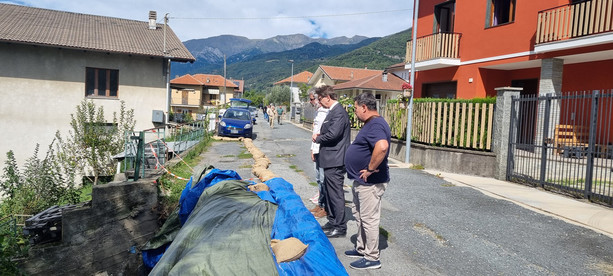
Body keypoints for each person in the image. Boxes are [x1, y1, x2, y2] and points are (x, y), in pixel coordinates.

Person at [343, 92, 391, 270]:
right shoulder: (372, 124)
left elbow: (382, 146)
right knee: (360, 216)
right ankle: (362, 248)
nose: (355, 112)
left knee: (369, 219)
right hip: (361, 182)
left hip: (371, 183)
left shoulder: (376, 124)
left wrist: (370, 169)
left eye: (355, 108)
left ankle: (372, 257)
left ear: (364, 107)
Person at [312, 85, 350, 238]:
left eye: (320, 99)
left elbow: (333, 134)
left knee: (336, 194)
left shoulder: (338, 112)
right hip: (329, 159)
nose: (320, 103)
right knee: (329, 193)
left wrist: (318, 137)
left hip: (335, 160)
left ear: (328, 97)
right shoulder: (333, 112)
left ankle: (340, 227)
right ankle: (333, 220)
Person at [308, 91, 329, 218]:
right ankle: (320, 204)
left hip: (322, 150)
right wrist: (312, 150)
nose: (311, 102)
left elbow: (322, 134)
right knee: (318, 179)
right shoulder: (318, 113)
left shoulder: (326, 113)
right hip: (316, 149)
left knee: (323, 180)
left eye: (312, 99)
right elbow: (314, 134)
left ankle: (325, 207)